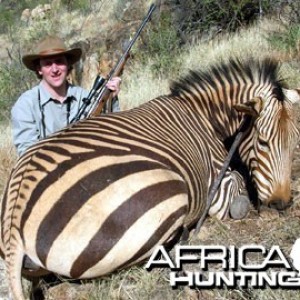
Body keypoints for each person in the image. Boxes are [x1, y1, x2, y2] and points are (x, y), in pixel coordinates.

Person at [11, 35, 121, 156]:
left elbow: (111, 130)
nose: (55, 69)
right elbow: (27, 155)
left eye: (59, 62)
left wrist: (112, 98)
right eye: (48, 64)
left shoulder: (84, 97)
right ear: (39, 69)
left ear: (68, 64)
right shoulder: (25, 105)